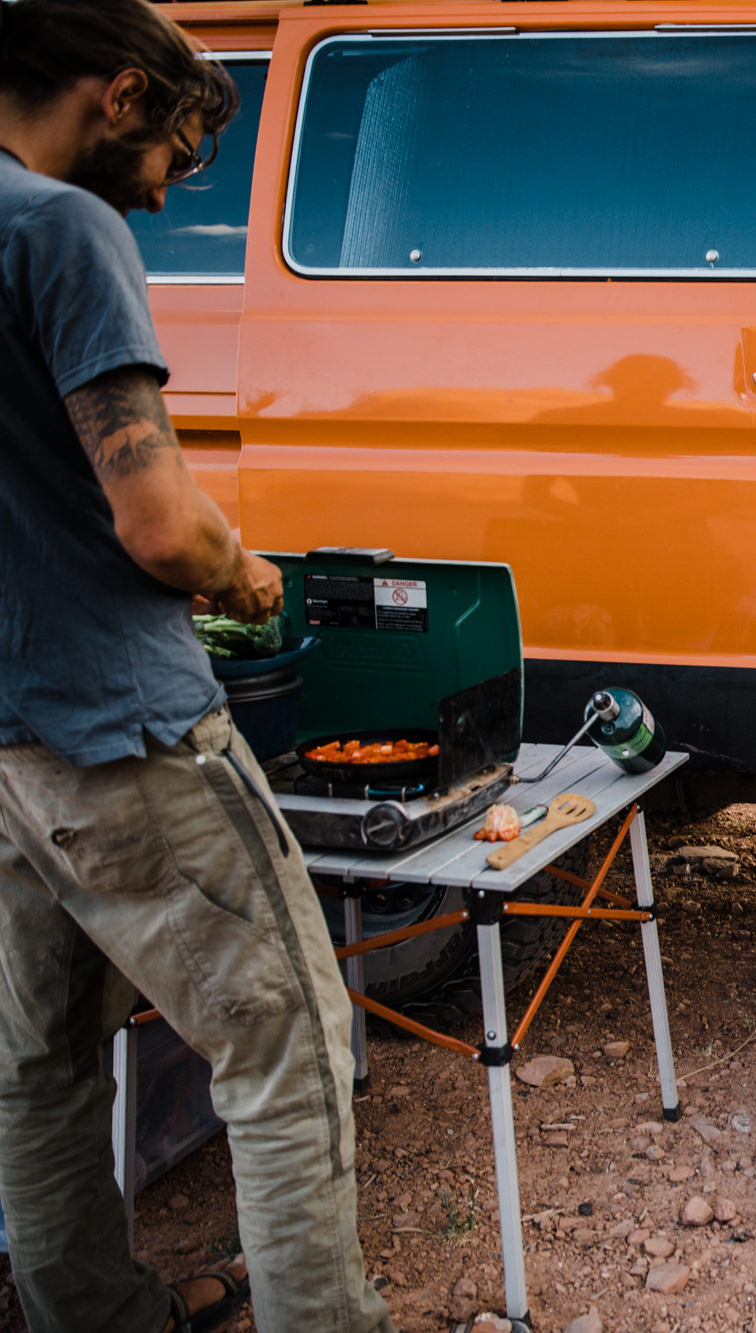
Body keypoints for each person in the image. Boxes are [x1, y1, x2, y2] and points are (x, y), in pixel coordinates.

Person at [0, 3, 396, 1330]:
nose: (168, 191)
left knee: (35, 1069)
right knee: (290, 1051)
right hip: (121, 734)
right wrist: (240, 572)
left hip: (6, 755)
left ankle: (91, 1317)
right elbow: (160, 520)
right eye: (173, 149)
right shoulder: (61, 227)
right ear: (118, 97)